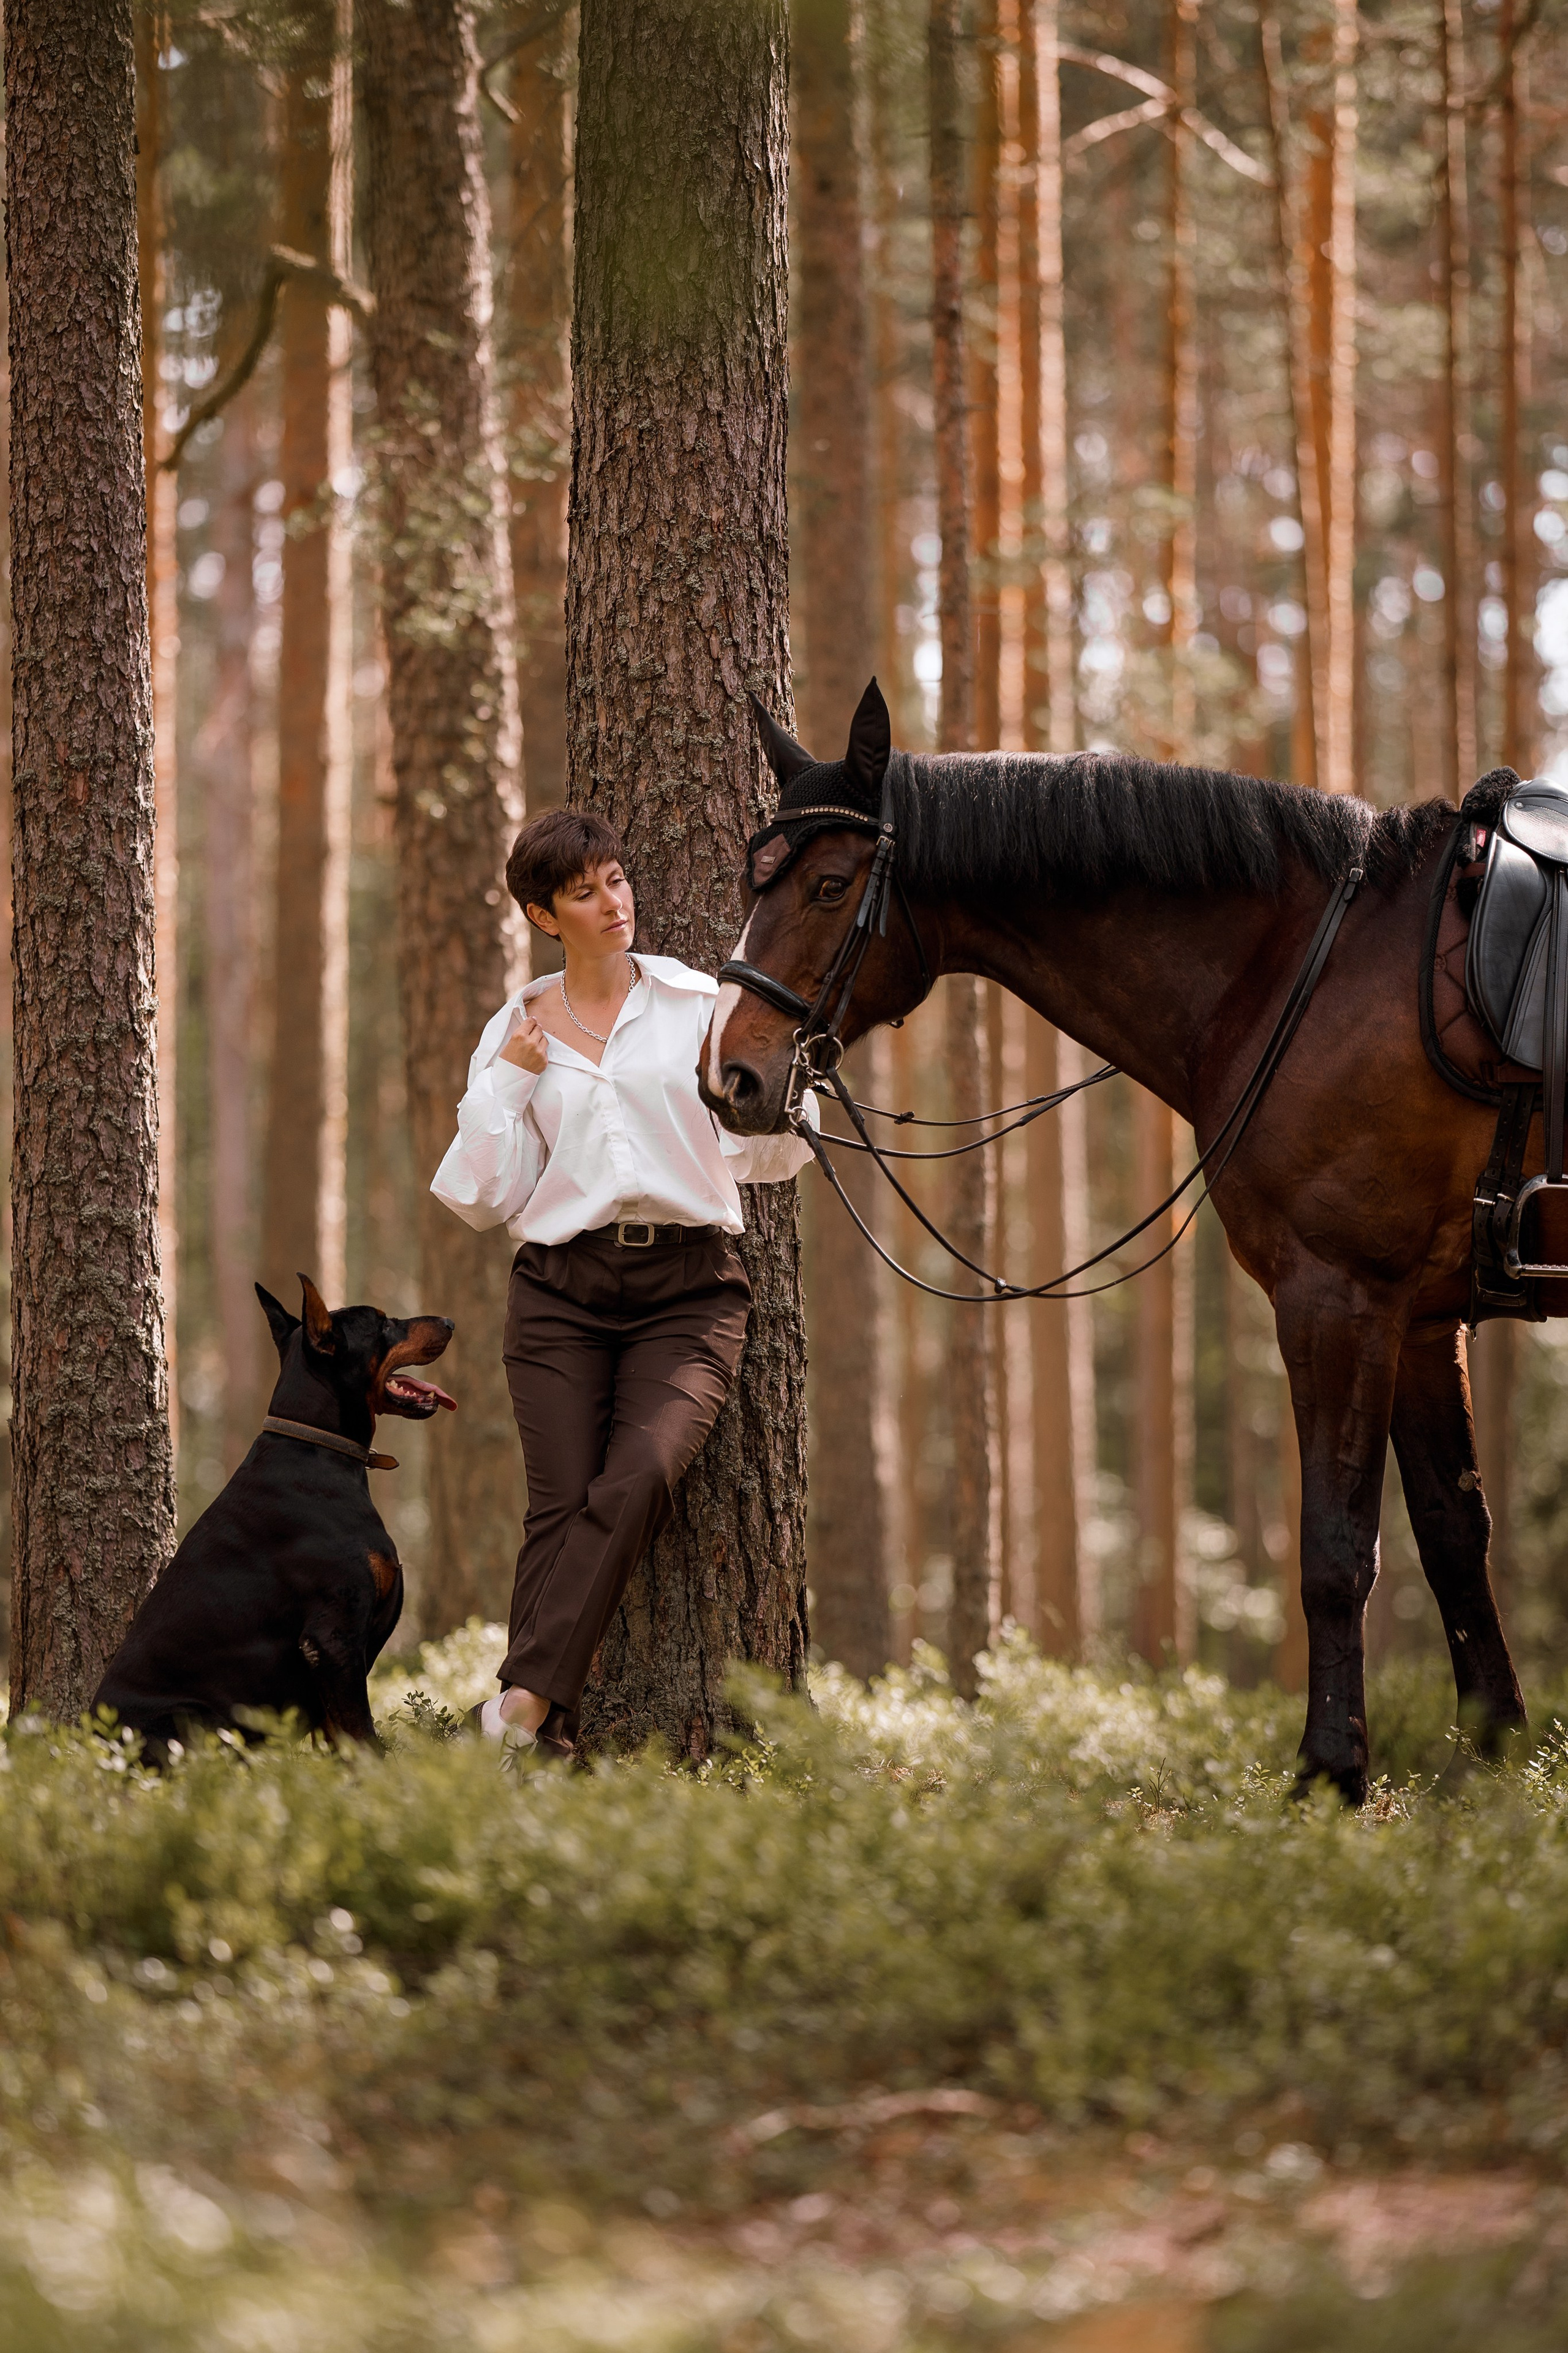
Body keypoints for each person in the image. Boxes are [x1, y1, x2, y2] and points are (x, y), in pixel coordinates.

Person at [431, 808, 816, 1759]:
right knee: (559, 1511)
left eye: (616, 880)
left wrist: (794, 1095)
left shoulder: (697, 1005)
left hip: (689, 1293)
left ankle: (515, 1709)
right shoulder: (514, 1031)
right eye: (584, 891)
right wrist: (507, 1085)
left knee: (639, 1475)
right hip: (559, 1292)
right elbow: (481, 1196)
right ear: (542, 914)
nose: (614, 903)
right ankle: (542, 1748)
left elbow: (765, 1156)